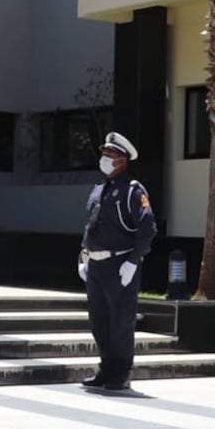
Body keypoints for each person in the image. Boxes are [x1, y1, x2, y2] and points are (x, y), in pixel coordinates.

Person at [77, 132, 157, 391]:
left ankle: (121, 372)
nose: (105, 158)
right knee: (99, 320)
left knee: (120, 321)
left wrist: (134, 261)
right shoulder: (100, 188)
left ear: (122, 160)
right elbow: (90, 227)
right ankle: (106, 368)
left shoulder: (133, 190)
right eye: (104, 154)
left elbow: (148, 228)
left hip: (120, 264)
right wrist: (84, 256)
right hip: (97, 264)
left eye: (110, 155)